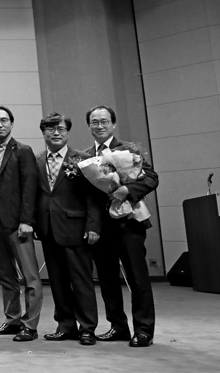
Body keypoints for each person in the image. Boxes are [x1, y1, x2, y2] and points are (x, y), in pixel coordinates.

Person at [84, 105, 158, 348]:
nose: (99, 126)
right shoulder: (85, 157)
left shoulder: (129, 150)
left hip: (129, 223)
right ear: (89, 126)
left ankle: (144, 330)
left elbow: (151, 178)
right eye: (94, 122)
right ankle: (118, 327)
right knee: (107, 280)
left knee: (137, 278)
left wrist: (128, 189)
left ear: (113, 124)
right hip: (101, 228)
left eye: (104, 121)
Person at [35, 112, 100, 346]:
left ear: (68, 132)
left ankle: (87, 328)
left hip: (76, 229)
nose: (55, 133)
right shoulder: (37, 160)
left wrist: (93, 226)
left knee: (81, 281)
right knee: (57, 281)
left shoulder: (83, 159)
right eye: (50, 129)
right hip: (48, 230)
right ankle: (65, 326)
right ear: (43, 133)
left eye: (60, 129)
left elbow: (93, 197)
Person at [0, 105, 43, 342]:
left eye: (4, 120)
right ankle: (12, 320)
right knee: (5, 276)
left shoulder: (23, 151)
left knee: (30, 277)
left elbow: (30, 188)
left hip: (18, 223)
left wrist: (26, 220)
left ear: (11, 123)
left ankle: (30, 325)